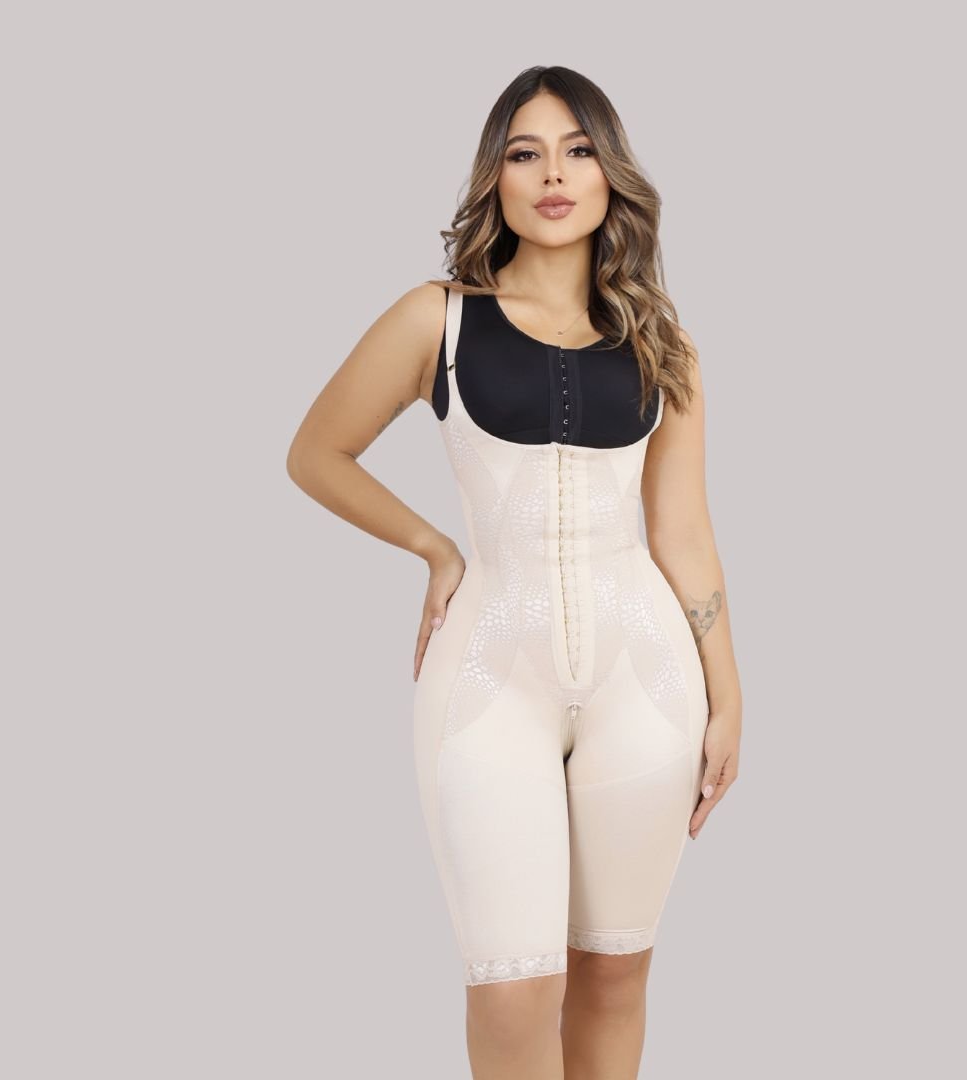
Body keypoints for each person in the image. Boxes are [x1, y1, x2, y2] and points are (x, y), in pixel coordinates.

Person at [287, 65, 743, 1080]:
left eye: (578, 151)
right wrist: (434, 547)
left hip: (647, 681)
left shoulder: (664, 343)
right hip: (490, 679)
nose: (554, 175)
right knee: (512, 991)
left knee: (615, 975)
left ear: (611, 174)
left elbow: (683, 532)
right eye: (525, 153)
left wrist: (729, 694)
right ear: (495, 176)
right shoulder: (438, 319)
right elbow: (315, 452)